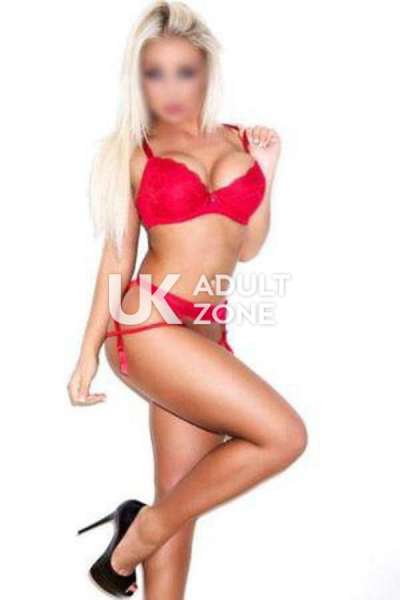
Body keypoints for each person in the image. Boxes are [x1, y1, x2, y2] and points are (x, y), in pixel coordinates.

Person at [68, 1, 308, 597]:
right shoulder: (133, 152)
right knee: (284, 436)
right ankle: (139, 533)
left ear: (206, 70)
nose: (171, 88)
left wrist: (268, 170)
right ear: (138, 78)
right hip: (147, 325)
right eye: (155, 73)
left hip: (207, 332)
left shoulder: (241, 140)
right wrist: (87, 353)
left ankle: (142, 532)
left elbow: (246, 247)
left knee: (182, 500)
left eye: (184, 71)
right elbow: (117, 258)